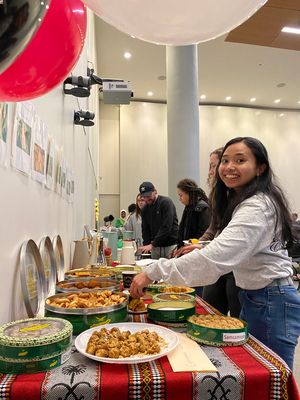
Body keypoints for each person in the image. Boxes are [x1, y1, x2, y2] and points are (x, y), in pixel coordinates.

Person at [131, 137, 300, 370]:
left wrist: (153, 271)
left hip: (272, 298)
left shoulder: (258, 206)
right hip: (257, 296)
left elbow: (215, 260)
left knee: (272, 376)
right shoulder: (242, 201)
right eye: (225, 160)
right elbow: (224, 245)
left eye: (240, 160)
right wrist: (202, 247)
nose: (229, 167)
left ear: (260, 168)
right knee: (259, 371)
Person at [202, 147, 241, 317]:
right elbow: (213, 228)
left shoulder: (245, 198)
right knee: (211, 313)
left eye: (213, 166)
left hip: (236, 268)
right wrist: (199, 244)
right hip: (217, 265)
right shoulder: (218, 195)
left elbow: (229, 238)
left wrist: (204, 248)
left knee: (237, 319)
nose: (211, 171)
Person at [138, 181, 179, 259]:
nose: (146, 199)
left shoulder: (166, 202)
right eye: (144, 197)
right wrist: (146, 248)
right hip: (155, 248)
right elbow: (145, 231)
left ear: (155, 191)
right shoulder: (145, 209)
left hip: (170, 246)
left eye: (148, 195)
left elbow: (166, 227)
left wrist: (152, 244)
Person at [176, 178, 210, 248]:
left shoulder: (202, 207)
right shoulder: (188, 207)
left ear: (189, 193)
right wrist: (179, 246)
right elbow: (182, 229)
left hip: (196, 248)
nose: (179, 199)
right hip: (188, 246)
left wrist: (192, 244)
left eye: (181, 195)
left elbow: (203, 231)